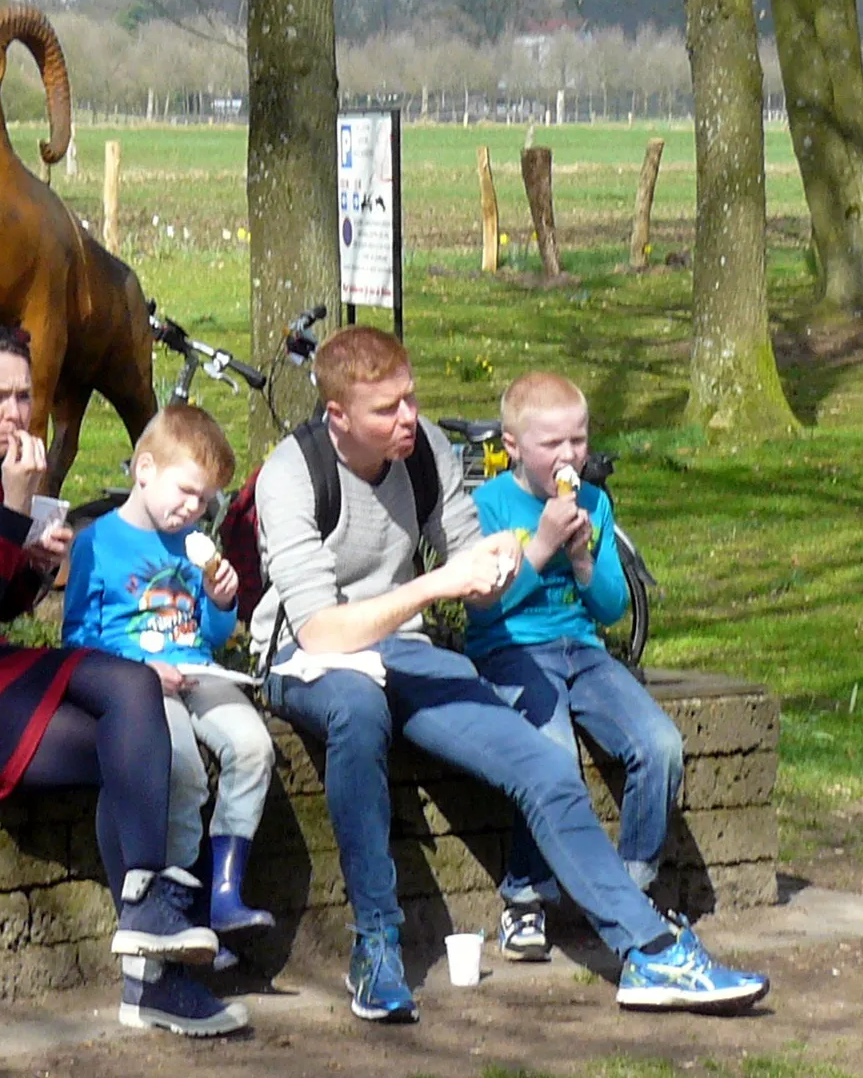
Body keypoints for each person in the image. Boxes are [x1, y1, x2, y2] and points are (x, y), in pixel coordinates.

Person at [251, 325, 768, 1024]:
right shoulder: (292, 473)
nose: (408, 418)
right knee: (358, 712)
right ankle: (376, 944)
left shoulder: (425, 451)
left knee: (544, 763)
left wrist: (514, 559)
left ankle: (648, 950)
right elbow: (319, 630)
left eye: (410, 398)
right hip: (308, 659)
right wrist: (438, 587)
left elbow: (480, 577)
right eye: (387, 409)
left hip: (403, 649)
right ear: (338, 415)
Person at [0, 324, 248, 1039]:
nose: (17, 411)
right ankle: (151, 966)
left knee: (131, 690)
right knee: (117, 747)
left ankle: (145, 916)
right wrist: (12, 512)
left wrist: (31, 564)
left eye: (25, 395)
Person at [466, 371, 687, 965]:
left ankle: (633, 886)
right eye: (552, 445)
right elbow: (485, 610)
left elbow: (613, 608)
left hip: (582, 649)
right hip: (509, 648)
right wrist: (538, 547)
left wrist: (584, 559)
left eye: (579, 442)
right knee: (551, 758)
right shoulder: (488, 506)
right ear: (512, 446)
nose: (569, 456)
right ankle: (525, 896)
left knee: (659, 744)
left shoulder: (595, 502)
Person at [61, 404, 277, 962]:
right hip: (140, 685)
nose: (193, 509)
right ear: (144, 469)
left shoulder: (192, 546)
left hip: (199, 670)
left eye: (205, 500)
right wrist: (137, 673)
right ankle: (180, 908)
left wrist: (223, 600)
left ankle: (225, 892)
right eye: (185, 491)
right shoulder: (98, 544)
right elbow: (78, 638)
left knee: (253, 746)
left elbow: (212, 632)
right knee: (180, 768)